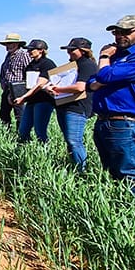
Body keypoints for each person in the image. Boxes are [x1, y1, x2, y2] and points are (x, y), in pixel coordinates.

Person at [88, 15, 135, 196]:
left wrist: (104, 57)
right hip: (105, 121)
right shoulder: (118, 56)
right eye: (117, 32)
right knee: (111, 173)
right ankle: (123, 217)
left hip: (126, 123)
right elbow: (92, 81)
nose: (119, 36)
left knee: (130, 173)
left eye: (126, 32)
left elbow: (103, 77)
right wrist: (102, 77)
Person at [48, 38, 98, 173]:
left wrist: (57, 89)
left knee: (74, 141)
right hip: (64, 105)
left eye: (71, 50)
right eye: (68, 50)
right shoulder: (72, 66)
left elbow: (80, 87)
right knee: (69, 141)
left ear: (83, 50)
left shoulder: (87, 65)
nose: (69, 52)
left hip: (77, 107)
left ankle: (82, 171)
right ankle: (74, 168)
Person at [13, 39, 57, 144]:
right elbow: (26, 84)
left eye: (32, 49)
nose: (29, 52)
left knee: (40, 131)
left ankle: (44, 152)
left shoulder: (47, 64)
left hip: (44, 101)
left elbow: (39, 84)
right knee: (23, 130)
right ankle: (27, 152)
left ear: (41, 50)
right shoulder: (30, 65)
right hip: (32, 101)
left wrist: (23, 98)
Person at [0, 33, 31, 128]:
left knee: (20, 116)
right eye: (7, 44)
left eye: (10, 43)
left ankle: (21, 137)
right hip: (7, 89)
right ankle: (6, 135)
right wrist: (2, 82)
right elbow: (4, 71)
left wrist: (25, 90)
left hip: (18, 90)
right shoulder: (8, 56)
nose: (7, 46)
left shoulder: (24, 55)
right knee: (4, 114)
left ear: (17, 44)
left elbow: (29, 72)